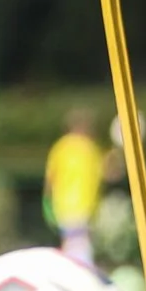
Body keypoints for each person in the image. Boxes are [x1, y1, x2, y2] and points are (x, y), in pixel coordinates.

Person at [44, 109, 106, 267]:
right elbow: (106, 171)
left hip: (64, 207)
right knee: (79, 246)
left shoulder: (60, 147)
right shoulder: (89, 147)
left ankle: (69, 270)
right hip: (81, 206)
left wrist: (47, 202)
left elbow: (50, 178)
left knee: (73, 244)